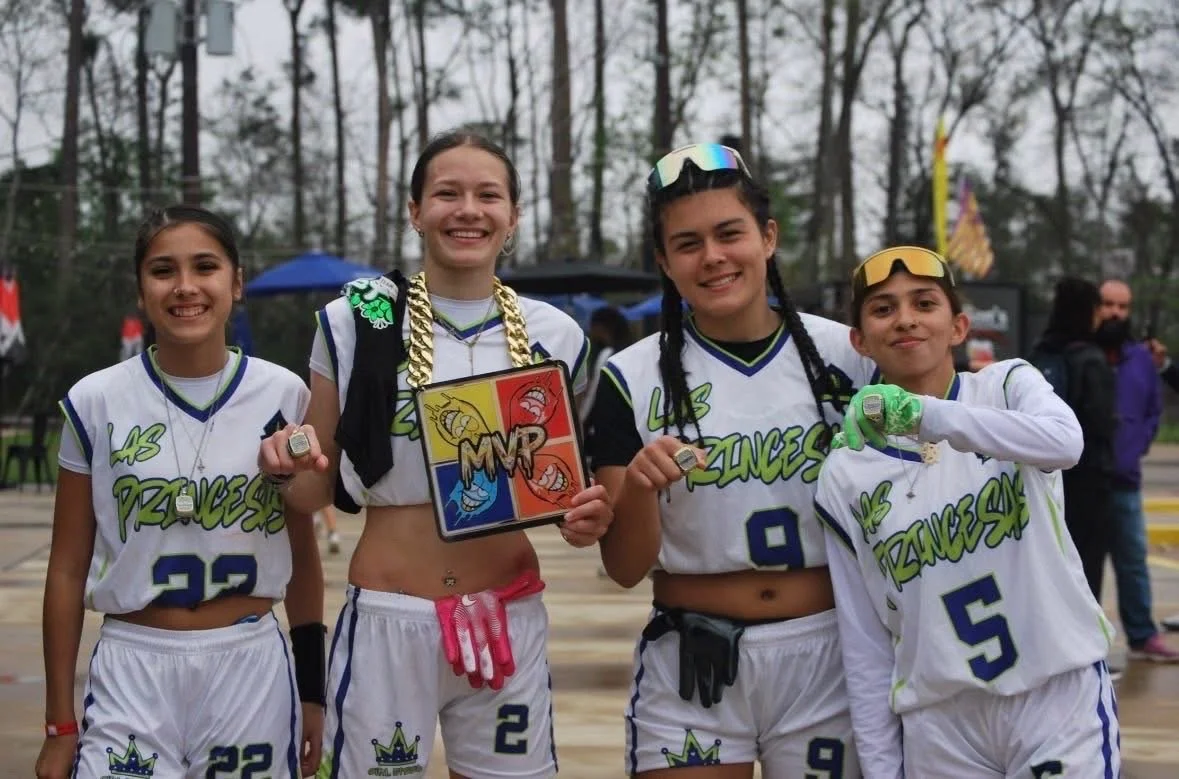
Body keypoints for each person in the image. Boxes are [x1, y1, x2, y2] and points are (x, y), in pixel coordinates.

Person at [257, 129, 614, 778]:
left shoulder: (556, 335)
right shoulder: (355, 319)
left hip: (508, 610)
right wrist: (288, 467)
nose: (467, 210)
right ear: (415, 209)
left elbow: (570, 490)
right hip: (390, 614)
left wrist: (586, 516)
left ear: (513, 214)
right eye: (446, 193)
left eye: (488, 195)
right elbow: (313, 493)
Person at [587, 142, 874, 778]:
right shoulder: (630, 378)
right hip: (692, 657)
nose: (713, 257)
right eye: (687, 243)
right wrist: (637, 487)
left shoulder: (853, 357)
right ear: (664, 261)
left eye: (729, 233)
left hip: (834, 653)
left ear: (767, 237)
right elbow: (624, 567)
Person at [37, 206, 326, 779]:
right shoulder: (95, 401)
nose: (186, 287)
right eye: (163, 270)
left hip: (249, 664)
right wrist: (59, 723)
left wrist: (311, 689)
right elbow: (67, 568)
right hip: (133, 662)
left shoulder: (285, 394)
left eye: (206, 266)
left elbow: (302, 553)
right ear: (141, 289)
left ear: (236, 282)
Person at [815, 248, 1119, 777]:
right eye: (883, 309)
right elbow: (865, 643)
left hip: (1054, 698)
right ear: (860, 341)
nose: (906, 318)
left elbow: (1066, 442)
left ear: (958, 326)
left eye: (924, 303)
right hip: (940, 723)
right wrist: (884, 768)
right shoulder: (845, 472)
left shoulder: (1006, 386)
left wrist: (923, 415)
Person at [1096, 280, 1178, 661]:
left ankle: (1143, 636)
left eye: (1123, 307)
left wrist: (1139, 445)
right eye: (1108, 304)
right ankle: (1084, 644)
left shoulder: (1142, 359)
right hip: (1082, 481)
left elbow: (1152, 411)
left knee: (1132, 562)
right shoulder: (1079, 353)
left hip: (1126, 480)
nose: (1115, 313)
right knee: (1079, 565)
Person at [1028, 277, 1116, 600]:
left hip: (1044, 478)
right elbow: (1102, 424)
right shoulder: (1090, 358)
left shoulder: (1040, 354)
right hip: (1088, 483)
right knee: (1086, 569)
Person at [580, 305, 633, 428]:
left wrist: (581, 421)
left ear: (600, 327)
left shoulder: (607, 354)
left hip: (606, 421)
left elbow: (594, 392)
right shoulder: (629, 352)